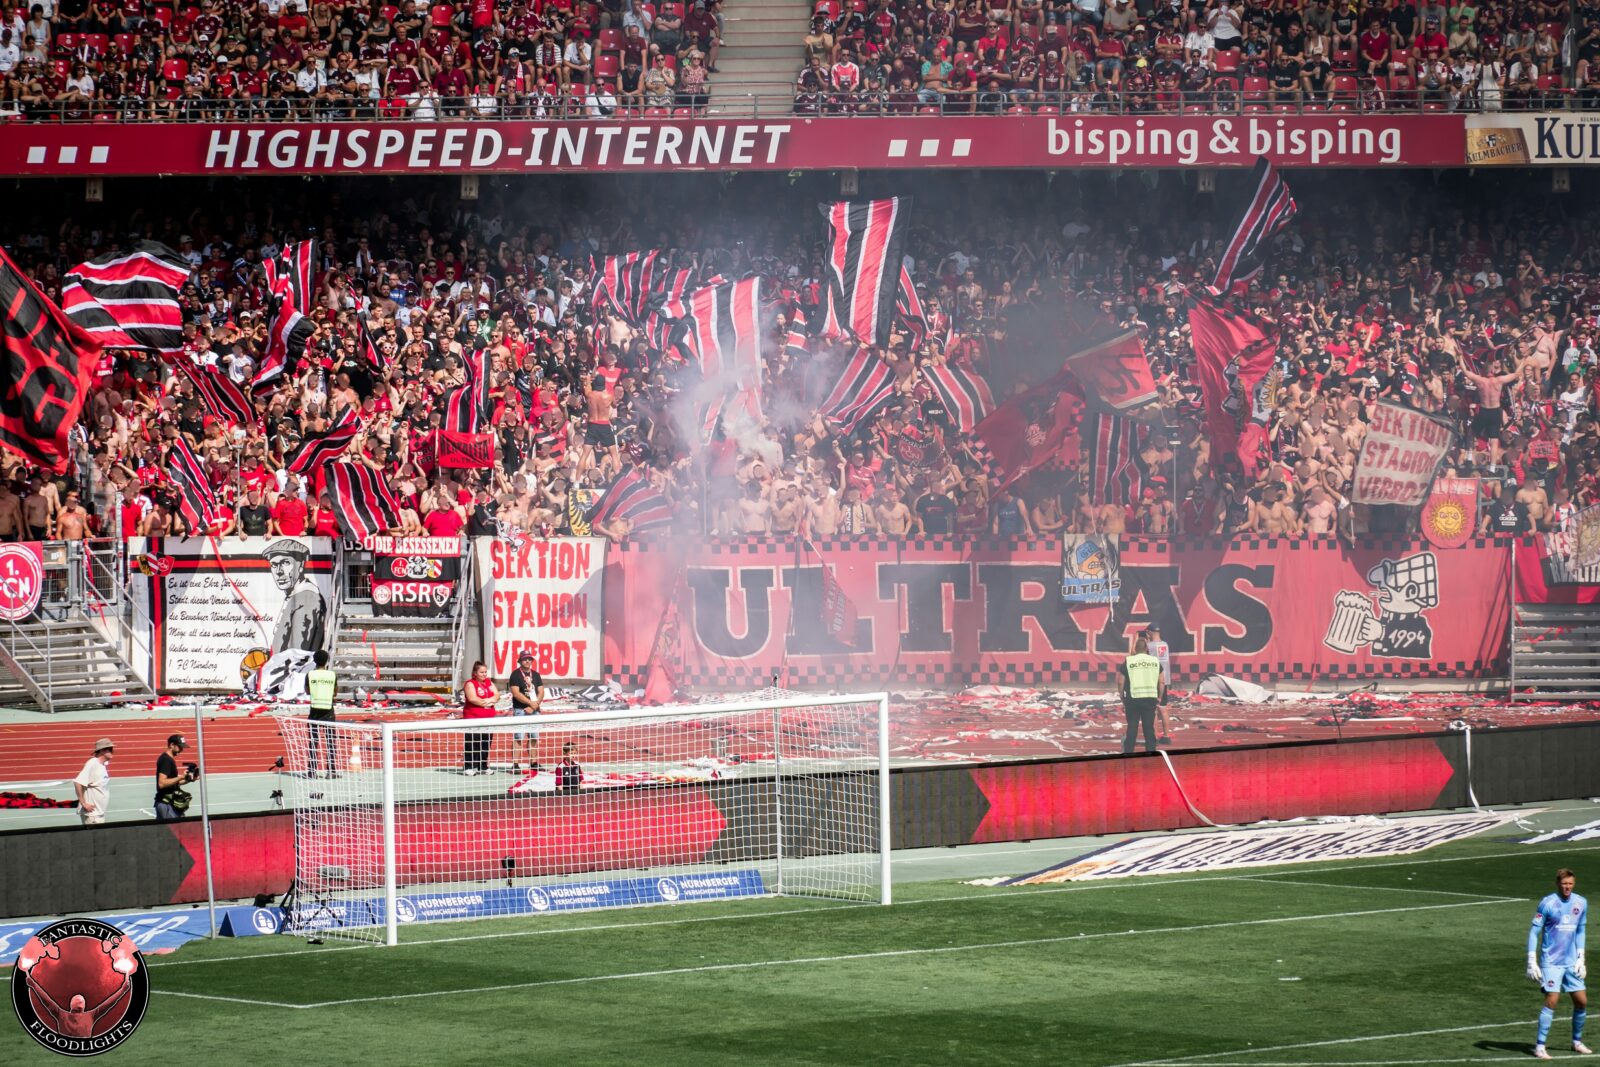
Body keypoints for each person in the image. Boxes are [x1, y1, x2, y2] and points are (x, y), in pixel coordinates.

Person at [1528, 867, 1590, 1060]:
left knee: (1581, 1001)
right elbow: (1534, 932)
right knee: (1552, 1000)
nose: (1567, 887)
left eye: (1570, 884)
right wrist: (1532, 961)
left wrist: (1581, 957)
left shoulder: (1581, 902)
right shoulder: (1547, 903)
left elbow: (1580, 930)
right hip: (1551, 962)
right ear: (1558, 883)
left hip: (1571, 962)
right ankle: (1539, 1046)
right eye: (1564, 884)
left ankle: (1576, 1042)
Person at [1118, 634, 1165, 754]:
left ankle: (1128, 752)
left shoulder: (1129, 661)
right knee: (1149, 727)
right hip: (1150, 698)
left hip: (1133, 698)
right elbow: (1162, 681)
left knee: (1132, 727)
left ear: (1135, 649)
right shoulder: (1155, 661)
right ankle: (1151, 752)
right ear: (1146, 649)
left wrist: (1121, 695)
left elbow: (1120, 681)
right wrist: (1159, 696)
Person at [506, 650, 545, 773]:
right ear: (520, 661)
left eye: (529, 659)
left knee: (534, 736)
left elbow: (541, 692)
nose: (527, 661)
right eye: (524, 659)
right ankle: (515, 764)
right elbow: (516, 693)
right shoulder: (515, 675)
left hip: (534, 710)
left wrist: (534, 706)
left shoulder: (536, 675)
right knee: (519, 737)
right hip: (520, 709)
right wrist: (530, 704)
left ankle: (533, 762)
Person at [305, 649, 339, 777]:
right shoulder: (332, 675)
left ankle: (312, 771)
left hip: (314, 710)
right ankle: (331, 771)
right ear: (327, 661)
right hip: (328, 710)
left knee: (313, 742)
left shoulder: (310, 675)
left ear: (314, 661)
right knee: (330, 741)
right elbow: (335, 692)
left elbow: (307, 691)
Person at [462, 660, 498, 775]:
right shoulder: (470, 683)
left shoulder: (489, 682)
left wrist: (490, 700)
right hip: (473, 718)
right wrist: (488, 702)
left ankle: (483, 765)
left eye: (485, 672)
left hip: (488, 718)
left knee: (486, 742)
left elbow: (497, 695)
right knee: (473, 742)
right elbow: (472, 698)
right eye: (481, 672)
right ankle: (469, 766)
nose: (484, 674)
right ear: (475, 673)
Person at [153, 733, 194, 821]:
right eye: (180, 747)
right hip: (166, 804)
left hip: (169, 804)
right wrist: (180, 777)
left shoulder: (169, 759)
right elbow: (162, 783)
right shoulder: (166, 760)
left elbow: (172, 783)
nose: (181, 750)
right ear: (172, 745)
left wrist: (188, 779)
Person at [1144, 624, 1174, 743]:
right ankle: (1166, 736)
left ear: (1150, 632)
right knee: (1163, 708)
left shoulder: (1149, 646)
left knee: (1152, 710)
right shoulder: (1165, 644)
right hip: (1164, 680)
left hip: (1153, 680)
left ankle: (1154, 736)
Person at [74, 738, 113, 825]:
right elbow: (78, 782)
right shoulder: (92, 763)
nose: (112, 752)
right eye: (110, 750)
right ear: (102, 751)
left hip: (98, 813)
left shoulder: (102, 765)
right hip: (92, 815)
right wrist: (83, 803)